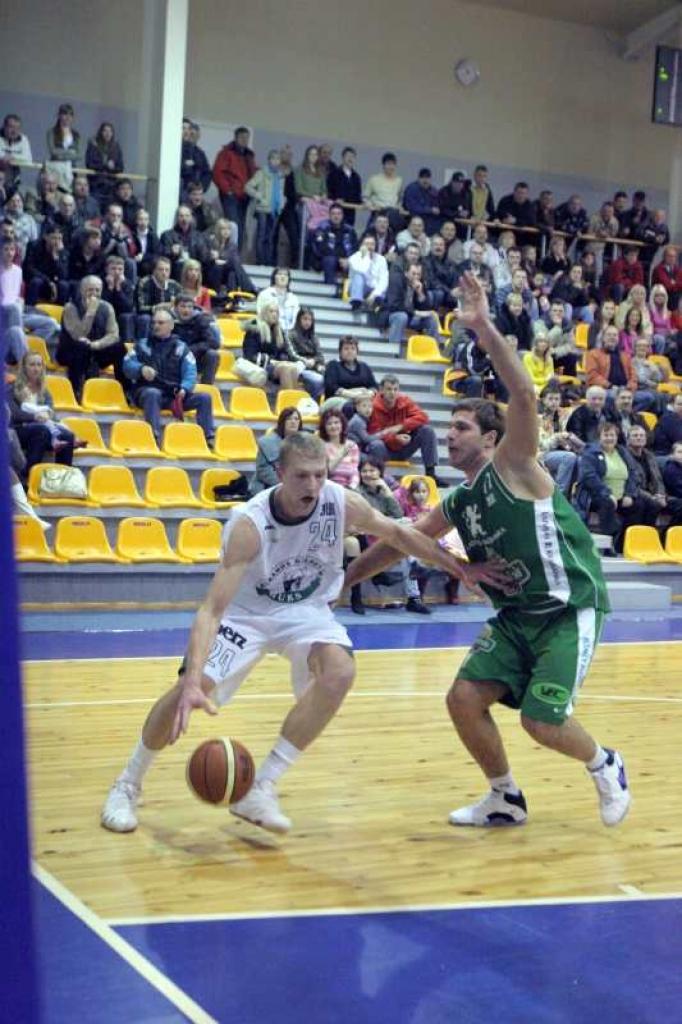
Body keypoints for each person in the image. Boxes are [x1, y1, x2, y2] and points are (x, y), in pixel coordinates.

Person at [346, 271, 631, 829]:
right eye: (447, 428)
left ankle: (606, 764)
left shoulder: (516, 465)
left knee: (541, 722)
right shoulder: (458, 500)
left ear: (491, 438)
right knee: (462, 698)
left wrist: (482, 327)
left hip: (568, 608)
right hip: (518, 617)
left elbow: (523, 392)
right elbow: (399, 543)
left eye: (460, 427)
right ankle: (505, 796)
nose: (448, 436)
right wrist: (342, 583)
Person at [100, 431, 482, 835]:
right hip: (245, 615)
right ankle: (127, 783)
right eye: (302, 476)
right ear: (280, 473)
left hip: (306, 611)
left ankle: (260, 788)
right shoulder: (250, 523)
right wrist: (193, 679)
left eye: (320, 475)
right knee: (186, 693)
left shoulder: (340, 501)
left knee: (340, 672)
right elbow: (211, 610)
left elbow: (400, 534)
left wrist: (459, 568)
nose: (313, 486)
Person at [124, 308, 215, 445]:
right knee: (152, 393)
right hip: (146, 391)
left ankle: (208, 438)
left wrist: (185, 388)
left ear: (171, 325)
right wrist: (140, 369)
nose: (156, 326)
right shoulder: (141, 345)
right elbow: (127, 364)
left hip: (173, 394)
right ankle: (153, 436)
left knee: (204, 397)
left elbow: (191, 372)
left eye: (161, 323)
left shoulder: (181, 348)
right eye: (154, 323)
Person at [573, 421, 647, 551]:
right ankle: (608, 545)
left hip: (621, 495)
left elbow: (633, 474)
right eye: (606, 435)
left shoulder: (622, 452)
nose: (609, 438)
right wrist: (607, 493)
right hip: (596, 495)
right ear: (599, 437)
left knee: (640, 505)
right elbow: (589, 477)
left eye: (612, 435)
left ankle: (625, 544)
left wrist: (629, 494)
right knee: (607, 503)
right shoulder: (590, 452)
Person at [56, 275, 126, 399]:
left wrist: (97, 344)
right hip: (70, 350)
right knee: (81, 346)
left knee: (119, 347)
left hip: (95, 348)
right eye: (90, 290)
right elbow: (79, 335)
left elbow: (113, 335)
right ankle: (76, 391)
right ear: (82, 291)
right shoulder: (70, 308)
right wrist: (90, 313)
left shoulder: (107, 307)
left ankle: (125, 390)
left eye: (97, 290)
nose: (94, 293)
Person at [7, 352, 76, 475]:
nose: (36, 368)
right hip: (20, 430)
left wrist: (46, 416)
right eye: (32, 364)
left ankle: (62, 478)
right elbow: (15, 414)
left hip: (43, 428)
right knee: (41, 430)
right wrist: (35, 417)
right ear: (24, 367)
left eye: (39, 365)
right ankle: (28, 476)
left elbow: (51, 411)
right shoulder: (12, 388)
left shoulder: (44, 390)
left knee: (68, 436)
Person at [365, 374, 442, 482]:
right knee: (375, 444)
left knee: (427, 430)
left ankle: (431, 474)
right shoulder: (372, 405)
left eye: (395, 389)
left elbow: (423, 417)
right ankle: (378, 477)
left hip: (404, 446)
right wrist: (395, 439)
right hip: (384, 449)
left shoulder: (405, 400)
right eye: (389, 389)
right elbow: (374, 434)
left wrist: (401, 426)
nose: (392, 393)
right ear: (381, 390)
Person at [212, 126, 256, 247]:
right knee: (233, 225)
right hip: (230, 196)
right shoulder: (226, 153)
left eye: (247, 138)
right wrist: (228, 190)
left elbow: (253, 175)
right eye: (242, 137)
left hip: (244, 196)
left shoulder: (249, 156)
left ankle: (236, 255)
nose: (245, 140)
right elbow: (217, 173)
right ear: (236, 138)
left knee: (241, 227)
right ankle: (230, 254)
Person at [240, 302, 300, 390]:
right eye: (271, 311)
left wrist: (282, 360)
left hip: (274, 366)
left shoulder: (279, 331)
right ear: (264, 313)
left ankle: (293, 400)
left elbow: (283, 353)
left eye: (276, 312)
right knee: (285, 368)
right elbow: (249, 355)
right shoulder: (254, 330)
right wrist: (272, 362)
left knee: (293, 368)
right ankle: (287, 401)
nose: (274, 314)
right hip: (257, 366)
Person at [245, 149, 288, 265]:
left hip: (275, 209)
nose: (275, 161)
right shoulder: (261, 173)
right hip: (263, 208)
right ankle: (260, 261)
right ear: (269, 160)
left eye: (278, 159)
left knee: (271, 237)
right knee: (261, 236)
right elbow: (248, 186)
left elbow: (280, 191)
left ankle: (268, 262)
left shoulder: (280, 176)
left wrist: (282, 202)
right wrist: (259, 196)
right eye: (273, 158)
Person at [537, 385, 581, 497]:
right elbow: (543, 445)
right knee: (569, 457)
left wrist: (568, 439)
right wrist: (558, 437)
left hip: (558, 451)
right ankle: (558, 496)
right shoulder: (538, 417)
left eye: (557, 399)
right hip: (540, 455)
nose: (554, 402)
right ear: (543, 400)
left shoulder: (561, 415)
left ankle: (574, 498)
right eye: (550, 399)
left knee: (581, 460)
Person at [171, 292, 220, 384]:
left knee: (212, 355)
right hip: (174, 358)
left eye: (189, 307)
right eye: (183, 306)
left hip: (195, 357)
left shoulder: (201, 319)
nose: (186, 310)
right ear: (176, 307)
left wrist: (191, 349)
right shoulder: (167, 319)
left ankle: (207, 387)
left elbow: (214, 343)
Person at [252, 406, 302, 492]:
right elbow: (263, 471)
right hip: (269, 487)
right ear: (282, 422)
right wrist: (285, 484)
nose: (293, 422)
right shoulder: (267, 443)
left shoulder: (304, 443)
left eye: (296, 419)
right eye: (289, 419)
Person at [307, 203, 356, 284]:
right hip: (324, 261)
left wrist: (348, 260)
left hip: (345, 261)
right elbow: (320, 248)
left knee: (355, 263)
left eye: (339, 214)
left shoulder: (350, 230)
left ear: (342, 215)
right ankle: (329, 289)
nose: (336, 216)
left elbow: (355, 248)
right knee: (330, 260)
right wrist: (339, 259)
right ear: (329, 215)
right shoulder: (322, 228)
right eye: (333, 214)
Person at [323, 336, 378, 405]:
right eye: (346, 349)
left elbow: (374, 386)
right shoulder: (333, 365)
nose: (350, 352)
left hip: (363, 401)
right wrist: (353, 394)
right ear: (340, 351)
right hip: (338, 402)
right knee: (349, 407)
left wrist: (368, 393)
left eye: (353, 349)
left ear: (357, 351)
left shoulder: (364, 367)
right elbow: (331, 387)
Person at [286, 307, 325, 400]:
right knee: (319, 380)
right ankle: (312, 404)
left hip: (314, 367)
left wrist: (314, 361)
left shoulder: (314, 337)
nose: (307, 322)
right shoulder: (290, 335)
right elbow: (292, 355)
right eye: (305, 319)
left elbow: (320, 356)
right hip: (299, 368)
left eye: (310, 320)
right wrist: (306, 361)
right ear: (299, 319)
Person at [85, 122, 124, 210]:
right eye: (105, 131)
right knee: (95, 210)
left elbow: (120, 167)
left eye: (110, 131)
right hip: (96, 185)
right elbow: (89, 164)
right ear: (100, 132)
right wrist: (105, 165)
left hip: (111, 187)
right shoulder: (93, 145)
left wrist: (113, 167)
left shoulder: (116, 147)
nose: (107, 133)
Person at [319, 408, 360, 489]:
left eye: (336, 422)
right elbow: (326, 472)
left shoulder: (352, 445)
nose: (333, 426)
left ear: (342, 425)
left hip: (350, 487)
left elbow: (355, 472)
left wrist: (352, 487)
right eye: (329, 424)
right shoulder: (321, 447)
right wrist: (341, 455)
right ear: (324, 427)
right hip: (329, 486)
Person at [347, 234, 389, 311]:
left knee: (381, 293)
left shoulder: (381, 259)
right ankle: (357, 303)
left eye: (372, 244)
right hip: (357, 289)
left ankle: (375, 304)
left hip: (374, 290)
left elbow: (383, 280)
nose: (370, 247)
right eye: (367, 244)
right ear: (361, 245)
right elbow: (362, 270)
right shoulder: (353, 258)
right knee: (358, 276)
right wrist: (365, 257)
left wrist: (374, 294)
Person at [256, 267, 300, 332]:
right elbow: (260, 314)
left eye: (285, 275)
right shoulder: (264, 294)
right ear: (274, 277)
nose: (283, 277)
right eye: (279, 274)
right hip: (269, 330)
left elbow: (296, 318)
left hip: (289, 332)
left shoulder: (293, 298)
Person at [326, 147, 362, 226]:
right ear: (343, 158)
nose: (350, 159)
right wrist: (335, 200)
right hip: (336, 210)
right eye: (348, 156)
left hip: (350, 212)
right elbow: (328, 191)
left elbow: (358, 196)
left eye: (352, 157)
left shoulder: (356, 177)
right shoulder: (334, 174)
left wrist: (364, 203)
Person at [403, 168, 441, 236]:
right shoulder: (412, 188)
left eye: (427, 178)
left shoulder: (433, 190)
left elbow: (437, 206)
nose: (425, 180)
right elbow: (412, 207)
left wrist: (435, 210)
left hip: (430, 219)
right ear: (418, 179)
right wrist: (430, 210)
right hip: (413, 217)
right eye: (423, 178)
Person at [180, 118, 212, 197]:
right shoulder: (171, 149)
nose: (187, 132)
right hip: (179, 192)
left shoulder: (199, 152)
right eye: (183, 128)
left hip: (195, 195)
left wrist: (202, 186)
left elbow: (207, 172)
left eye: (189, 129)